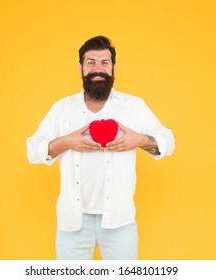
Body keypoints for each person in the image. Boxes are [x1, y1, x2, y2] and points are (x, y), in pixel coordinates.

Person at [26, 36, 175, 260]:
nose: (98, 68)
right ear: (81, 67)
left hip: (120, 221)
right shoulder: (62, 108)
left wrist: (140, 140)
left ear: (113, 67)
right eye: (91, 62)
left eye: (105, 62)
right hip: (72, 224)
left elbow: (168, 142)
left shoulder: (133, 106)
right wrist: (67, 141)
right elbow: (33, 150)